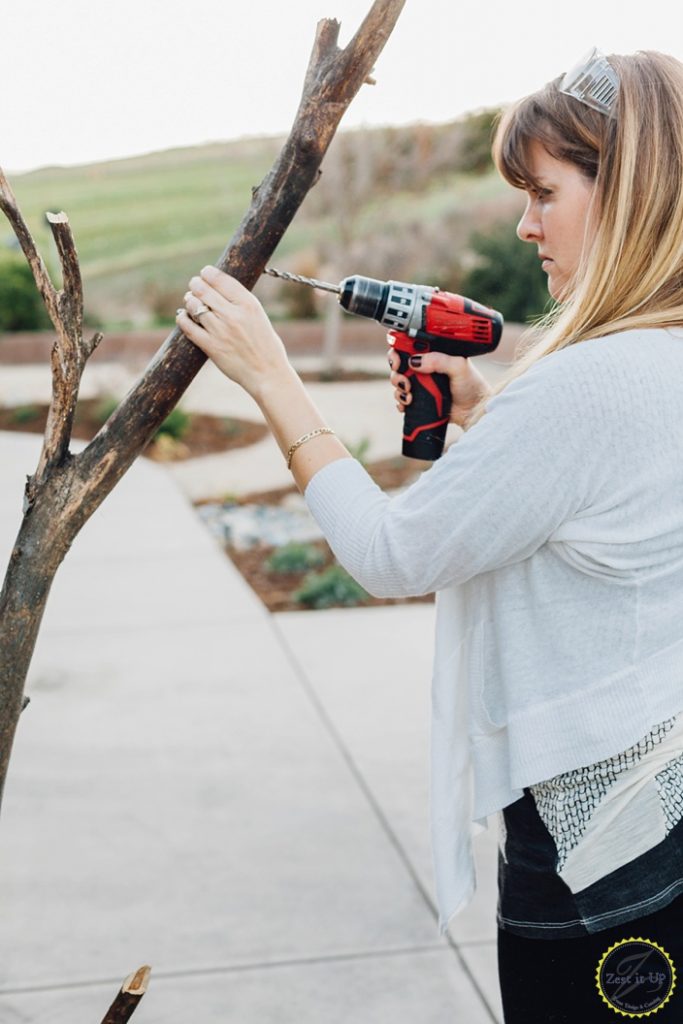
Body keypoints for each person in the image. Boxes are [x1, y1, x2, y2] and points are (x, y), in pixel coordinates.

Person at [177, 47, 683, 1023]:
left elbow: (391, 553)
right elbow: (614, 508)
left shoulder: (585, 384)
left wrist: (270, 377)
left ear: (623, 195)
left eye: (543, 193)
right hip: (653, 794)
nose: (524, 223)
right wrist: (490, 418)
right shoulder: (659, 357)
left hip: (592, 853)